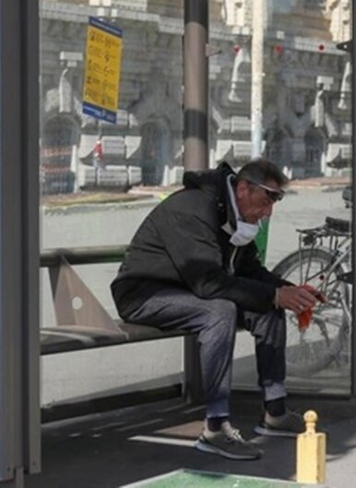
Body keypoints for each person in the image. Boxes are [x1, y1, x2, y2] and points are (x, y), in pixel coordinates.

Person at [111, 159, 325, 460]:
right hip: (145, 294)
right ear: (243, 188)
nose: (268, 211)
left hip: (190, 291)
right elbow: (207, 284)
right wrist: (275, 294)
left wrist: (290, 291)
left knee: (266, 307)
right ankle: (215, 427)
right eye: (267, 199)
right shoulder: (194, 209)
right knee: (220, 310)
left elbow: (250, 270)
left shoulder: (233, 212)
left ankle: (274, 412)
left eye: (275, 201)